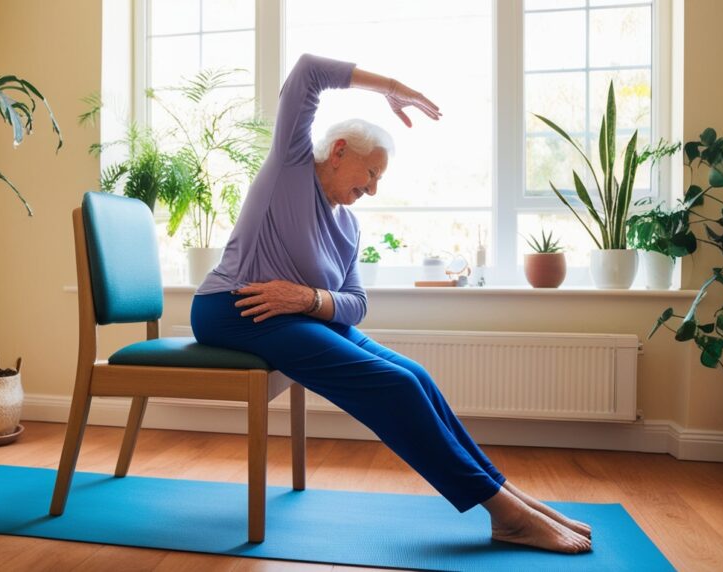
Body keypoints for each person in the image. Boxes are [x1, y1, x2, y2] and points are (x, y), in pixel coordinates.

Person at [191, 53, 592, 554]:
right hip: (234, 308)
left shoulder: (348, 225)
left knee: (416, 375)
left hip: (292, 313)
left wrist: (309, 297)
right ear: (338, 151)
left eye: (379, 179)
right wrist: (391, 86)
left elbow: (356, 304)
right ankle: (504, 514)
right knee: (395, 385)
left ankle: (507, 492)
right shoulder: (290, 168)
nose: (373, 188)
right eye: (370, 173)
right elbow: (307, 72)